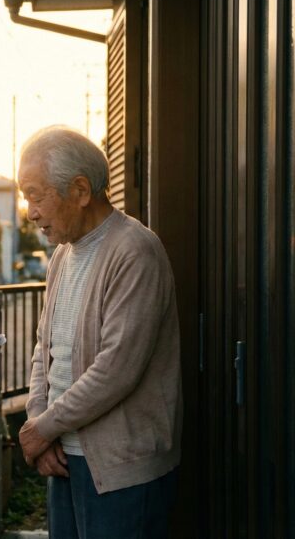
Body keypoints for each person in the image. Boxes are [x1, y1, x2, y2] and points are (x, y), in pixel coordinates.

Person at [17, 127, 183, 538]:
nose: (30, 211)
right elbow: (45, 348)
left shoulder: (135, 249)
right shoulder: (61, 255)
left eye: (36, 195)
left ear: (79, 189)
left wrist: (43, 429)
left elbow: (117, 369)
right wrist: (39, 419)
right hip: (62, 457)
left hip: (121, 468)